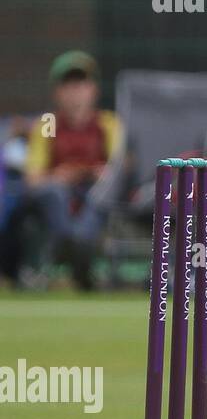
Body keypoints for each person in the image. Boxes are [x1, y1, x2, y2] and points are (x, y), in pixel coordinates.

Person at [22, 51, 121, 290]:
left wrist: (101, 174)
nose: (75, 90)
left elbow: (118, 171)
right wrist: (59, 176)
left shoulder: (108, 123)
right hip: (59, 200)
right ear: (57, 91)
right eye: (68, 84)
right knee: (55, 192)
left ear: (93, 89)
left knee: (99, 196)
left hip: (93, 197)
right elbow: (33, 179)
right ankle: (73, 245)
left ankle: (77, 246)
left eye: (81, 83)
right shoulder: (48, 124)